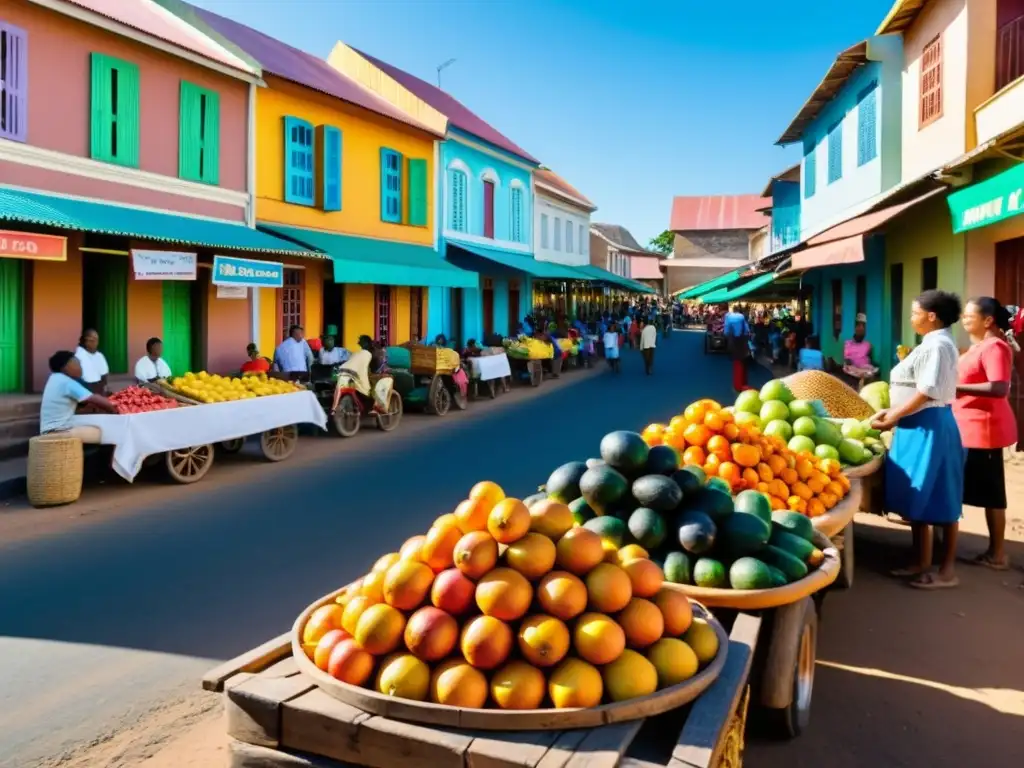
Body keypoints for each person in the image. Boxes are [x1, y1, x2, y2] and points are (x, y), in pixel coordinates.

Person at [872, 290, 964, 589]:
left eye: (915, 313)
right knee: (918, 494)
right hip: (915, 424)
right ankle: (920, 561)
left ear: (931, 315)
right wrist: (895, 412)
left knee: (943, 497)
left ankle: (946, 571)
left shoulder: (938, 346)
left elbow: (926, 391)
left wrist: (895, 414)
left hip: (930, 425)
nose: (911, 318)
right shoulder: (932, 343)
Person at [954, 297, 1017, 572]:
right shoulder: (980, 346)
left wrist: (957, 388)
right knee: (973, 488)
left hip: (985, 429)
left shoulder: (995, 347)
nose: (964, 320)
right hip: (969, 429)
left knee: (992, 493)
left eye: (969, 316)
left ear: (988, 320)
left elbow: (999, 387)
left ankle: (998, 554)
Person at [40, 350, 117, 441]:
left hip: (50, 428)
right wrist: (115, 409)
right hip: (59, 430)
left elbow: (85, 402)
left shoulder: (55, 378)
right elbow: (94, 399)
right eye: (78, 364)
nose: (81, 368)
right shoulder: (67, 382)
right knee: (108, 431)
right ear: (67, 366)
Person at [843, 315, 879, 385]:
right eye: (859, 327)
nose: (861, 329)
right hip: (852, 370)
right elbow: (847, 360)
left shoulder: (868, 345)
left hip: (865, 369)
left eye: (863, 327)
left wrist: (871, 367)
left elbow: (870, 360)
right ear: (855, 329)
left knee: (870, 372)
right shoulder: (848, 344)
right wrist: (856, 369)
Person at [723, 303, 752, 392]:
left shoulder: (728, 316)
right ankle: (743, 384)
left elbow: (726, 331)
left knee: (737, 364)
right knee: (743, 362)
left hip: (733, 341)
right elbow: (747, 330)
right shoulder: (742, 317)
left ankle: (738, 385)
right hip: (742, 341)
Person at [74, 328, 109, 395]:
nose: (95, 343)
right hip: (84, 390)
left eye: (96, 340)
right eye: (91, 340)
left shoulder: (99, 356)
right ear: (84, 341)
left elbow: (104, 375)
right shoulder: (78, 355)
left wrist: (103, 388)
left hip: (99, 389)